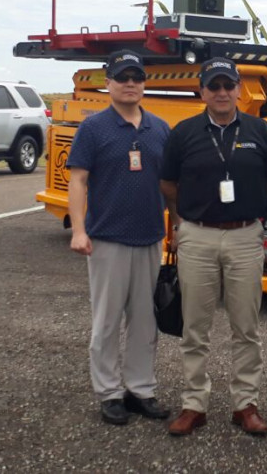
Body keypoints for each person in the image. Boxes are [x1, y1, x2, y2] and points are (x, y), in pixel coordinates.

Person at [160, 57, 267, 438]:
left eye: (229, 85)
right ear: (203, 91)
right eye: (215, 86)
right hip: (198, 235)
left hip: (246, 235)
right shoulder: (184, 133)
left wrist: (251, 212)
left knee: (246, 326)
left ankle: (245, 404)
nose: (223, 92)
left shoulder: (259, 130)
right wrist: (184, 221)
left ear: (239, 90)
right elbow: (168, 183)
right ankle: (194, 404)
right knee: (195, 327)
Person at [67, 49, 172, 426]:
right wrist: (79, 230)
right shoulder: (93, 128)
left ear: (145, 83)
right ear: (108, 82)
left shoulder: (159, 129)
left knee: (145, 322)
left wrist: (174, 231)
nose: (130, 84)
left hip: (149, 238)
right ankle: (109, 392)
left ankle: (141, 390)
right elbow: (78, 180)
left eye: (137, 78)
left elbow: (168, 186)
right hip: (107, 238)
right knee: (107, 320)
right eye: (123, 77)